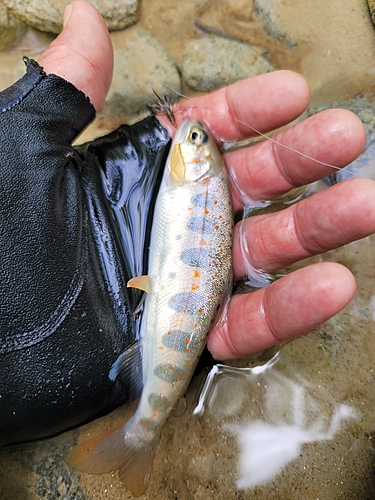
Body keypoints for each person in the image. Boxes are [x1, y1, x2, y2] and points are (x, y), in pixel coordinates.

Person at [1, 0, 374, 445]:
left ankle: (140, 434)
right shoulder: (189, 176)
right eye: (194, 137)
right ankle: (143, 426)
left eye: (193, 139)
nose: (190, 135)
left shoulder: (192, 176)